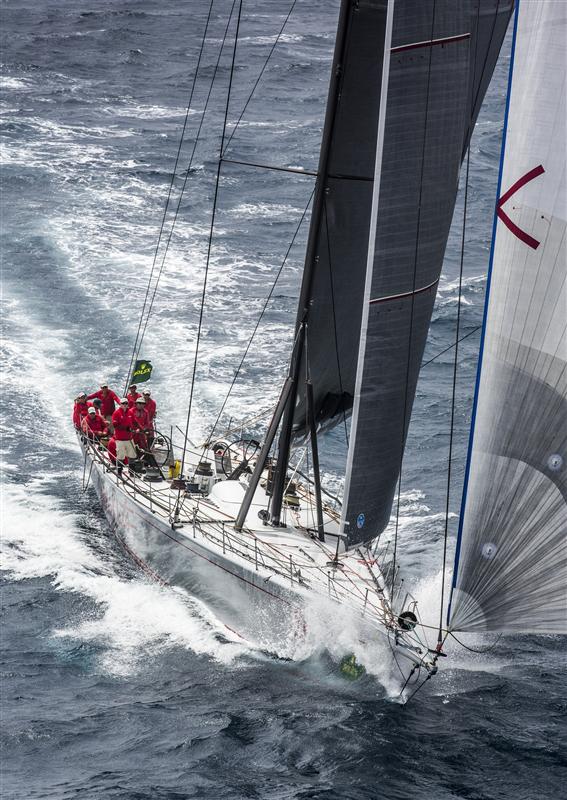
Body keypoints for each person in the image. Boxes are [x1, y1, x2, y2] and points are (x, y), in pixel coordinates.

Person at [111, 398, 138, 471]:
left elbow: (135, 422)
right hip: (120, 439)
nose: (125, 405)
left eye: (126, 403)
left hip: (129, 439)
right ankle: (119, 472)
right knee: (120, 456)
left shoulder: (130, 412)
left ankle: (132, 472)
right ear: (120, 404)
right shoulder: (116, 413)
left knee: (132, 455)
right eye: (123, 403)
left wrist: (140, 429)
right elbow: (115, 425)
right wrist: (125, 428)